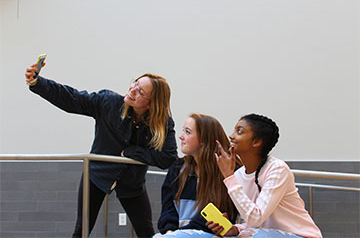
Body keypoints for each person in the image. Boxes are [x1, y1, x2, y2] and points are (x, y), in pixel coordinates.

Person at [25, 61, 178, 238]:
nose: (133, 89)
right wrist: (38, 83)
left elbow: (168, 157)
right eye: (135, 83)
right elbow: (72, 99)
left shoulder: (162, 123)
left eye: (141, 91)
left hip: (132, 184)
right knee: (81, 231)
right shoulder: (109, 102)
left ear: (151, 104)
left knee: (146, 233)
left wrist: (132, 152)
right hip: (96, 177)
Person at [207, 113, 322, 238]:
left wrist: (229, 177)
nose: (231, 136)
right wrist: (235, 229)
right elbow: (255, 223)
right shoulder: (239, 175)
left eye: (239, 131)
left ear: (256, 142)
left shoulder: (277, 169)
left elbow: (256, 219)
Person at [154, 113, 239, 238]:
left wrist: (177, 235)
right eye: (183, 131)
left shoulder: (228, 170)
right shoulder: (177, 169)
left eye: (187, 132)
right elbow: (168, 210)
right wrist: (169, 232)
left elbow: (220, 217)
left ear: (203, 140)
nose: (181, 136)